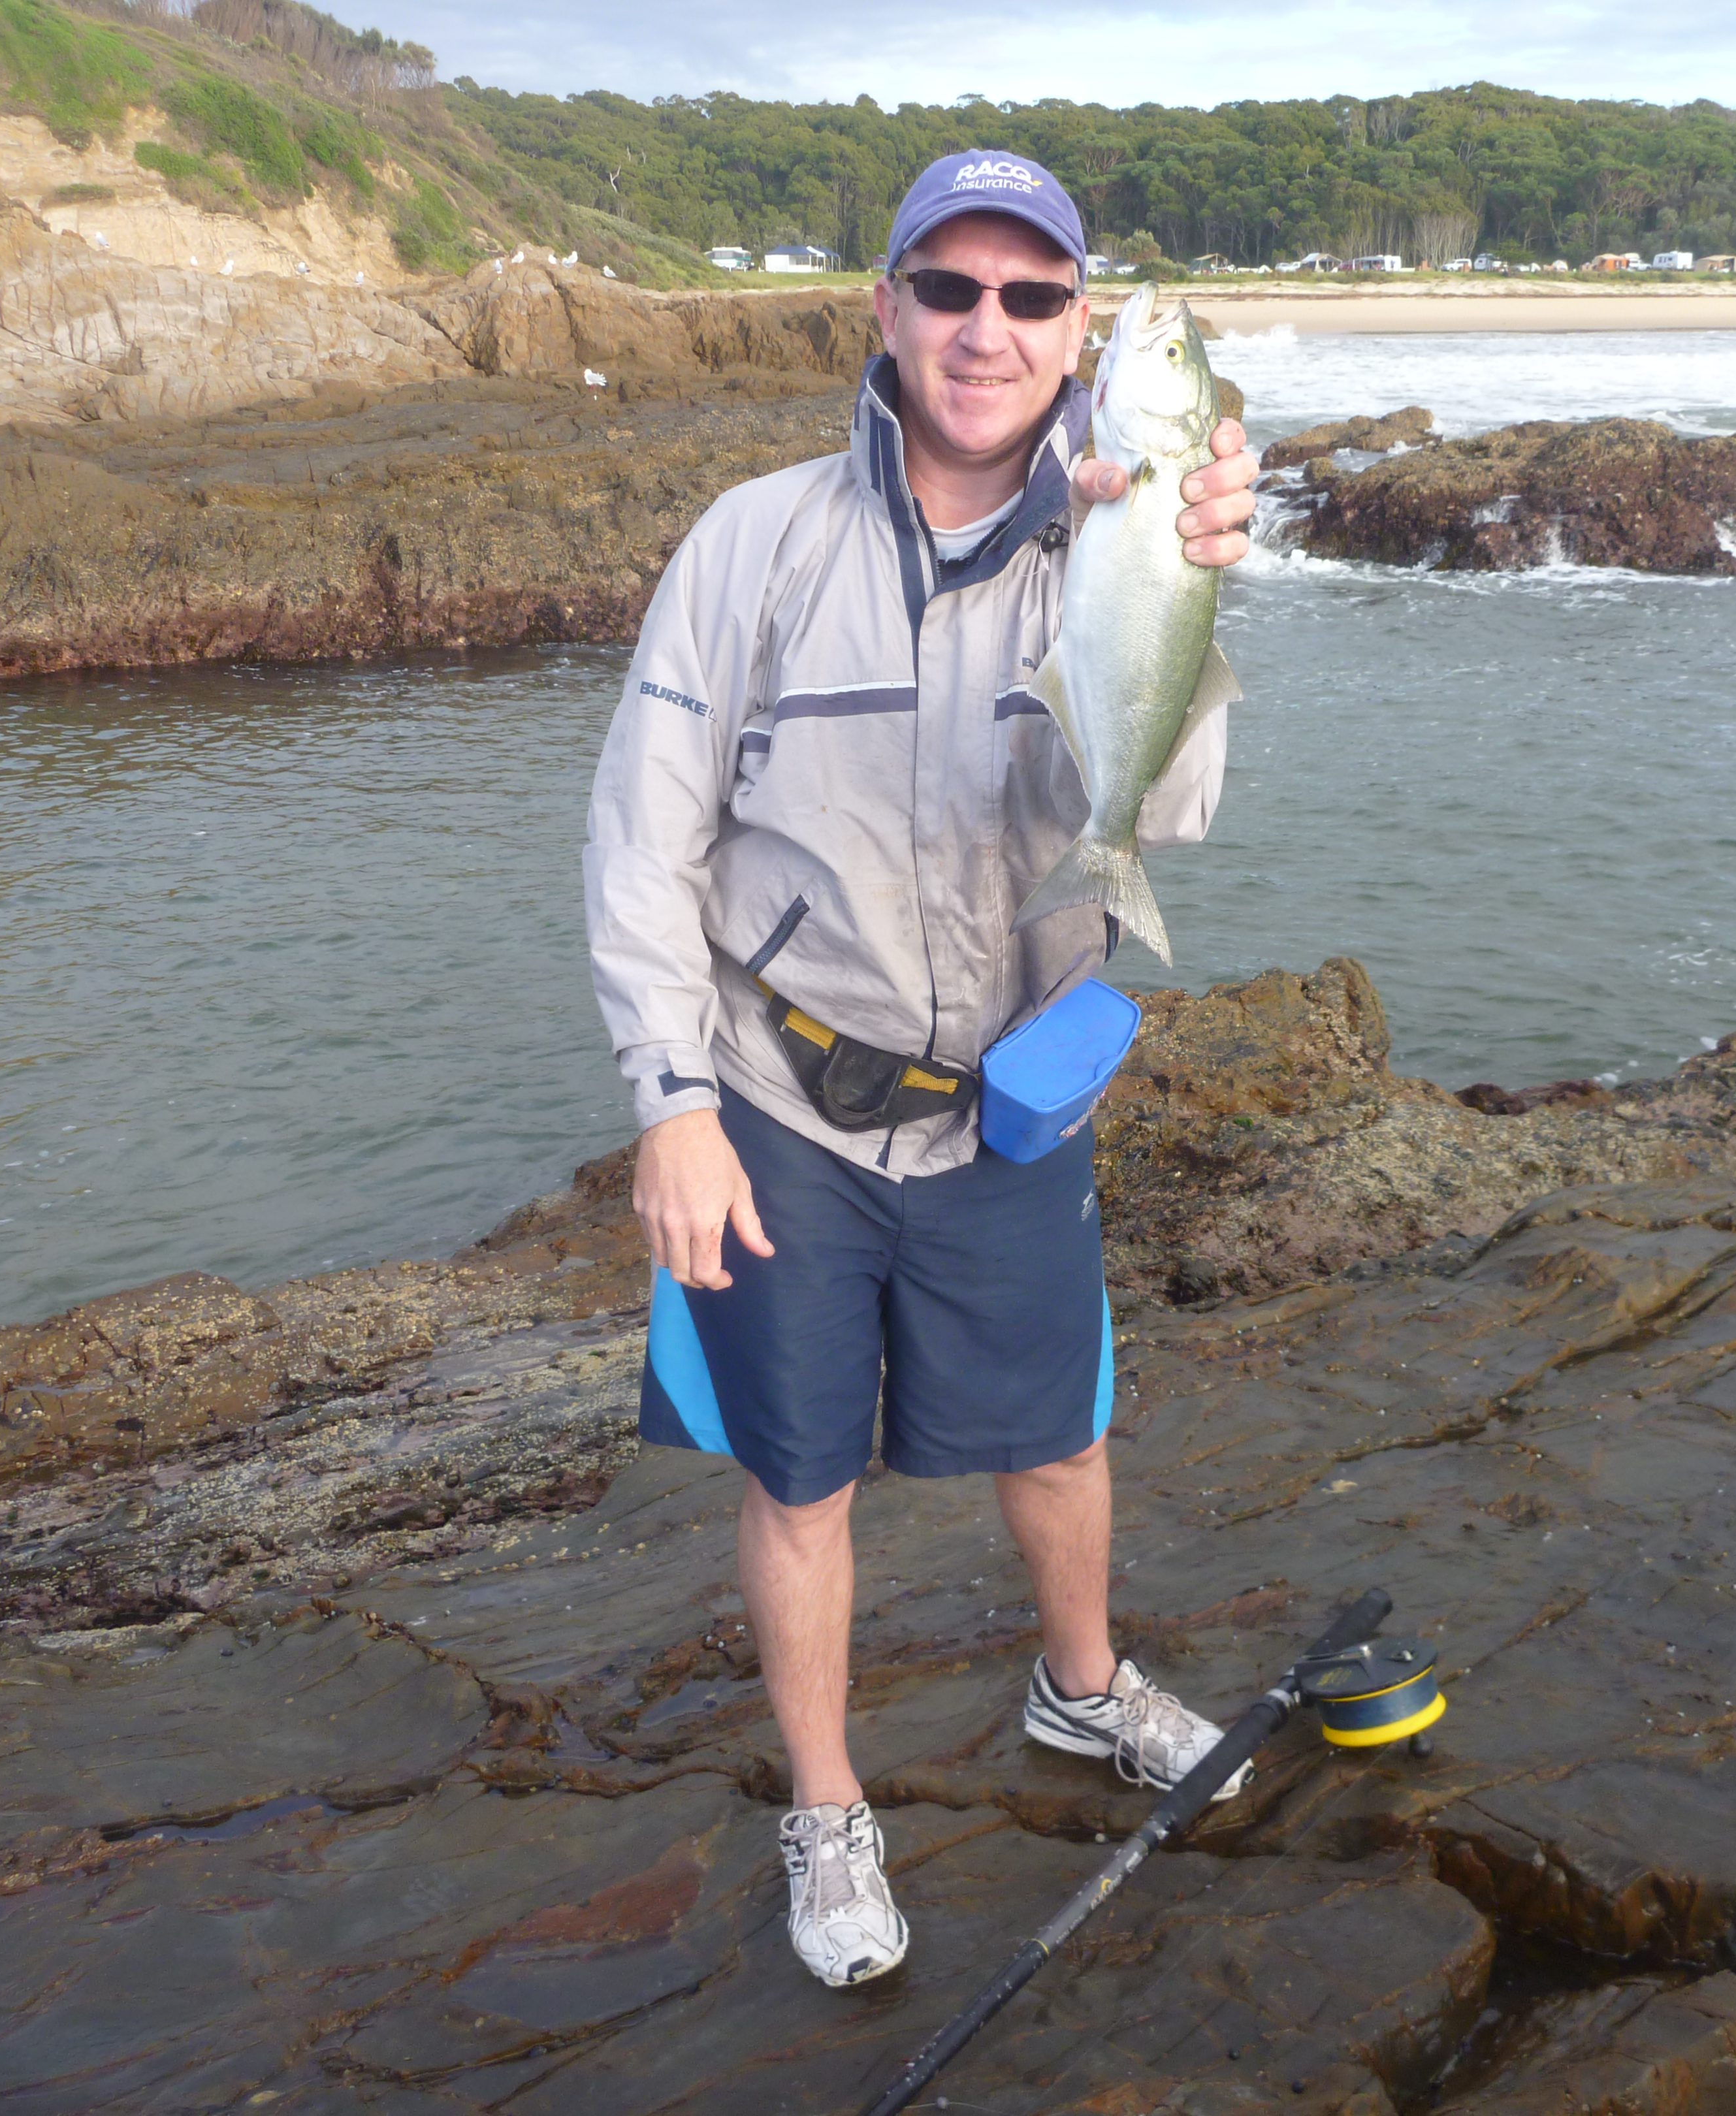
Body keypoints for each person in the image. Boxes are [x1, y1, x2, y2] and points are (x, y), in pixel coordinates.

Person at [583, 150, 1259, 1990]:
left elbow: (1170, 816)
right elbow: (641, 839)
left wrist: (1191, 592)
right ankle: (826, 1804)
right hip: (783, 1098)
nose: (986, 328)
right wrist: (673, 1104)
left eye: (1032, 298)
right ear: (882, 311)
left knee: (1059, 1429)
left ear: (1081, 343)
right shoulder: (756, 542)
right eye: (947, 289)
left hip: (1015, 1091)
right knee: (800, 1476)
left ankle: (1082, 1685)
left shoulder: (1122, 538)